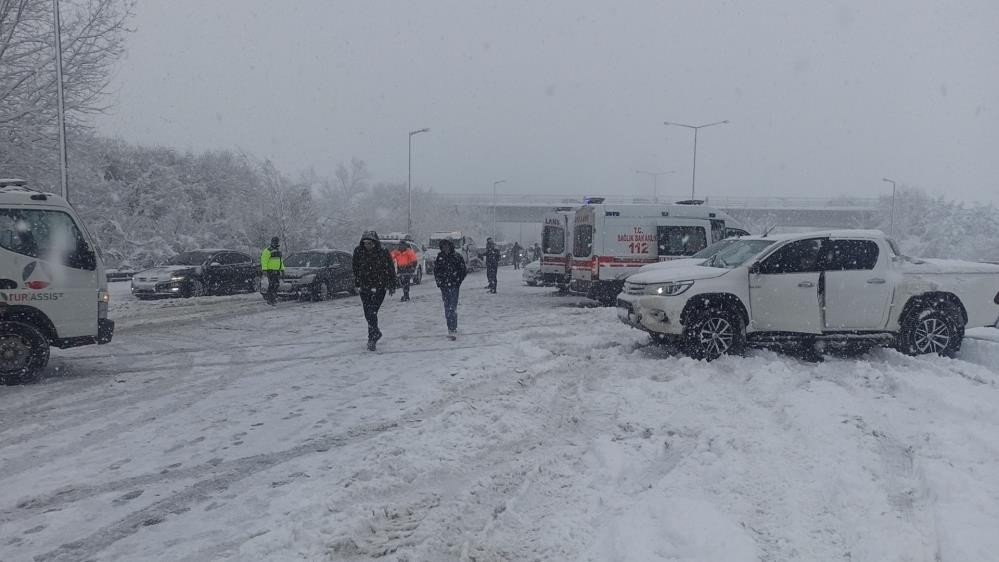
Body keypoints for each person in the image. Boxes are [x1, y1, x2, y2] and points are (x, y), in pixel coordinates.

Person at [352, 231, 398, 350]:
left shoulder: (383, 252)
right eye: (365, 243)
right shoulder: (358, 252)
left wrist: (392, 284)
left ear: (375, 243)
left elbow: (390, 268)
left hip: (379, 286)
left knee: (372, 311)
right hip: (365, 286)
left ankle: (372, 337)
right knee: (368, 312)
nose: (368, 245)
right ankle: (374, 334)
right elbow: (355, 268)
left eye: (370, 243)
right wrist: (357, 282)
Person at [434, 238, 467, 339]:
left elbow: (463, 270)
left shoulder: (456, 257)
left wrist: (458, 281)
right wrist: (439, 282)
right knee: (447, 306)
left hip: (454, 285)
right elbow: (436, 271)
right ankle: (450, 326)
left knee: (452, 306)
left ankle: (453, 327)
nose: (445, 248)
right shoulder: (440, 257)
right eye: (443, 246)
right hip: (444, 286)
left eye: (447, 246)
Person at [260, 236, 284, 305]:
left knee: (276, 285)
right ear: (272, 242)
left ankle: (273, 297)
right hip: (270, 271)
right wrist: (264, 270)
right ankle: (270, 299)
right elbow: (264, 260)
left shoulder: (278, 251)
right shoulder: (267, 250)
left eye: (276, 242)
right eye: (274, 242)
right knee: (271, 285)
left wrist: (282, 269)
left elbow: (280, 261)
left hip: (277, 271)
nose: (275, 243)